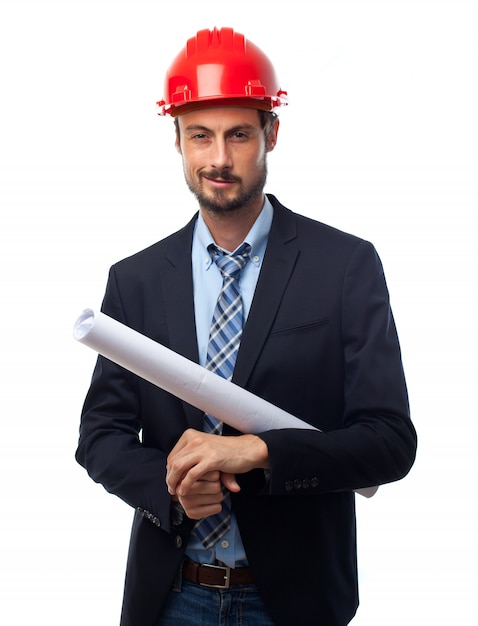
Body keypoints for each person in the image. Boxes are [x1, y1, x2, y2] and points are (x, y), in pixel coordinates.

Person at [75, 27, 417, 626]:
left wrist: (257, 451)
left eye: (239, 135)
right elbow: (100, 434)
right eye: (199, 136)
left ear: (272, 134)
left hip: (295, 600)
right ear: (176, 140)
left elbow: (389, 441)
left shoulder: (344, 266)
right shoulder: (135, 279)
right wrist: (171, 488)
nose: (219, 160)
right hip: (169, 597)